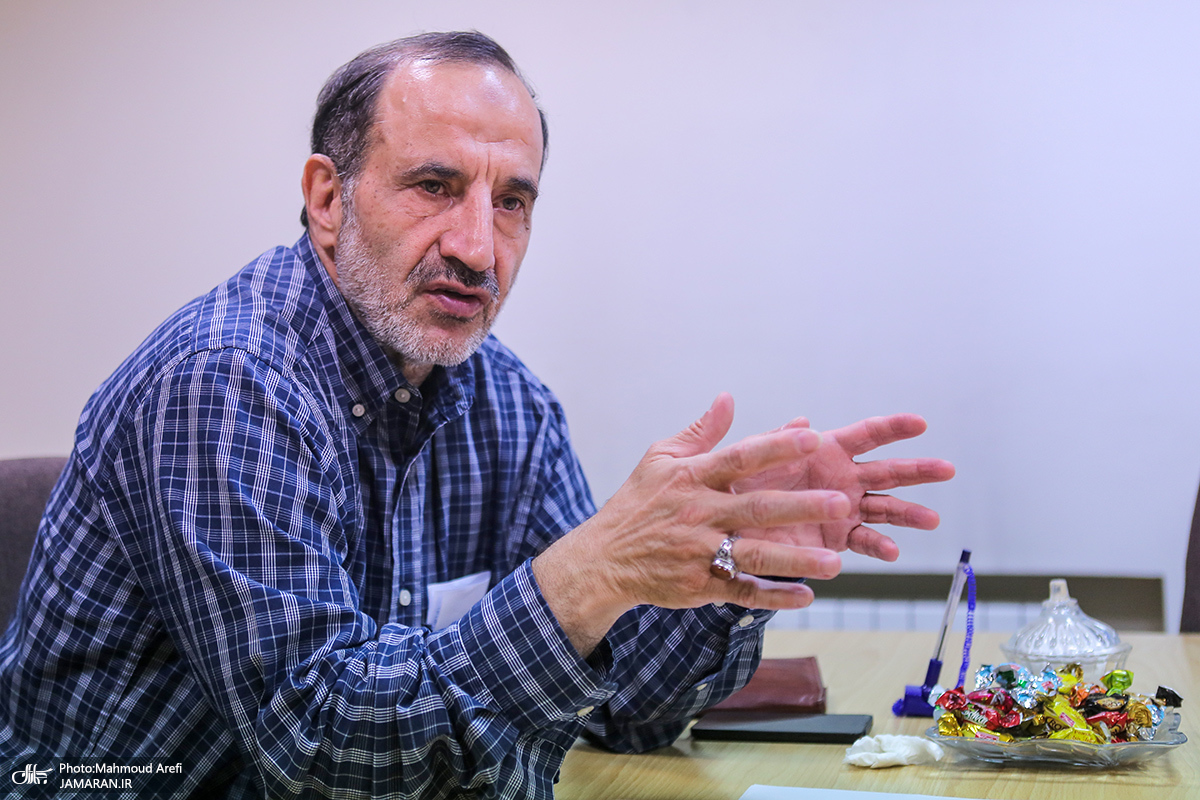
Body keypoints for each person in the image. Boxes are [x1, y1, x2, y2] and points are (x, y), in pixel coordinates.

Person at [0, 32, 954, 799]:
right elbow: (323, 756)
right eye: (435, 187)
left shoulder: (508, 403)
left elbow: (625, 711)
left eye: (513, 203)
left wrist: (730, 561)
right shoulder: (225, 385)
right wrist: (585, 577)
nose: (478, 249)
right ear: (327, 198)